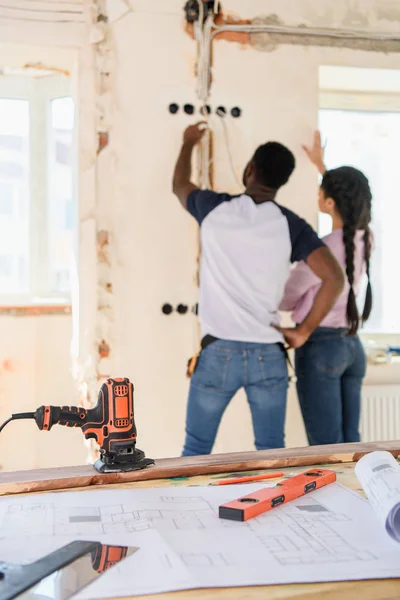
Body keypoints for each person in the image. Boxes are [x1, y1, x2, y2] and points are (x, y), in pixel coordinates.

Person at [172, 122, 344, 456]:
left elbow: (179, 185)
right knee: (270, 452)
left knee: (195, 449)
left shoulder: (213, 208)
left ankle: (181, 510)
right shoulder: (290, 225)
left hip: (218, 352)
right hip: (269, 354)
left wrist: (188, 141)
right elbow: (335, 278)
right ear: (282, 182)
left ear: (250, 169)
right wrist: (303, 331)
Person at [280, 131, 373, 446]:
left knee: (325, 448)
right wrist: (322, 166)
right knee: (351, 446)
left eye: (322, 191)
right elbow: (346, 200)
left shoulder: (321, 250)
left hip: (320, 346)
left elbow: (285, 298)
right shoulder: (366, 239)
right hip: (350, 346)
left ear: (329, 201)